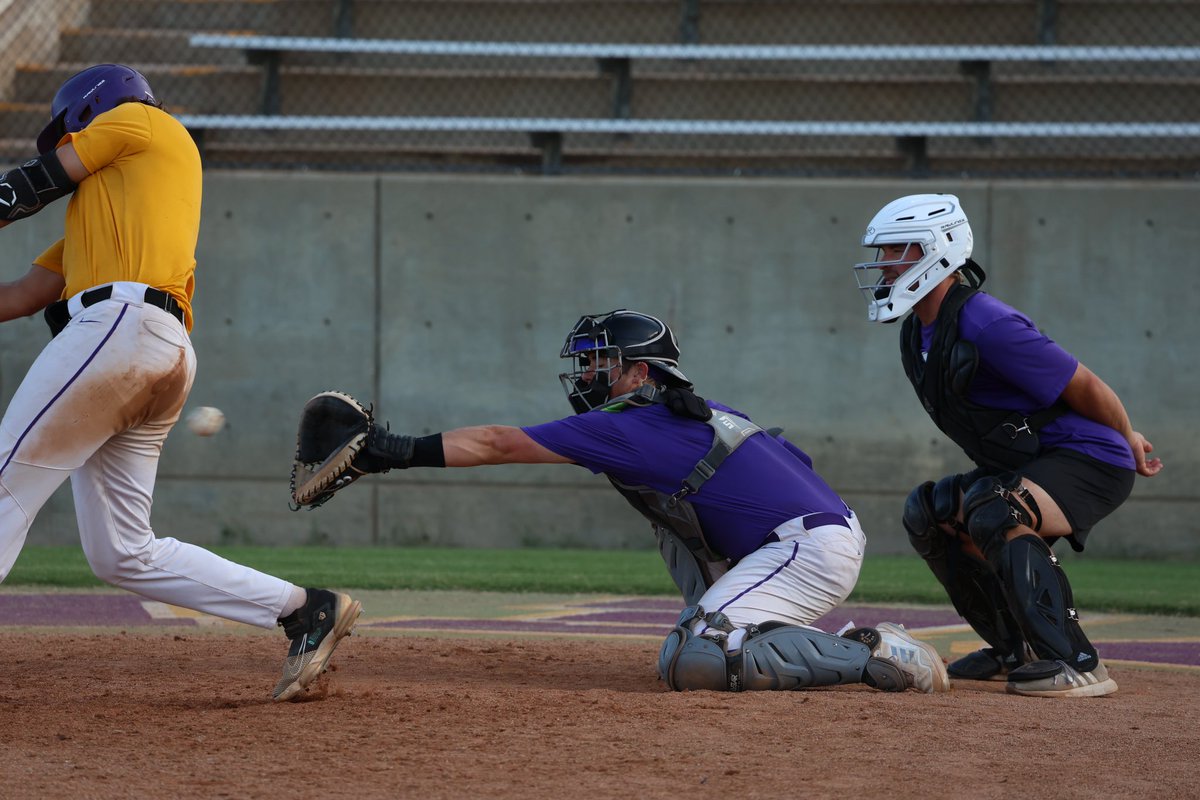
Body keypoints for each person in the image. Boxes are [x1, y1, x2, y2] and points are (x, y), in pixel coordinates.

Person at [295, 308, 950, 694]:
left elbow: (497, 443)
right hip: (805, 535)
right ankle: (743, 630)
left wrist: (388, 449)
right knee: (675, 587)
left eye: (599, 363)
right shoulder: (674, 415)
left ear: (641, 373)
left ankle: (873, 655)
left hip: (808, 547)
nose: (585, 376)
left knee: (697, 657)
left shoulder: (636, 421)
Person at [0, 64, 360, 701]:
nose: (64, 145)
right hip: (151, 348)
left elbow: (35, 183)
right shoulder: (114, 205)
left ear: (91, 110)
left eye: (66, 132)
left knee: (6, 485)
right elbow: (24, 296)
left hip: (120, 329)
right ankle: (305, 610)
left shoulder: (139, 121)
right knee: (122, 552)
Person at [853, 193, 1163, 698]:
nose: (885, 263)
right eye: (884, 251)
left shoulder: (989, 324)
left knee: (995, 508)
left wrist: (1127, 437)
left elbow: (1085, 387)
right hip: (1039, 459)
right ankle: (1012, 650)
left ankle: (1075, 661)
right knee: (927, 512)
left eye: (897, 250)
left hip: (1092, 459)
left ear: (940, 249)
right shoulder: (919, 333)